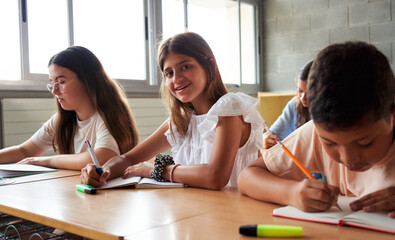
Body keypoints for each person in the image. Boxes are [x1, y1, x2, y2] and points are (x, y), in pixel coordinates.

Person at [81, 32, 264, 189]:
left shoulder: (229, 108)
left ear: (210, 66)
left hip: (231, 215)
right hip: (191, 212)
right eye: (169, 73)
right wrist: (103, 171)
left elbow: (215, 177)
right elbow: (129, 159)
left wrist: (157, 170)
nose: (176, 78)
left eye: (185, 66)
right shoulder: (181, 121)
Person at [237, 41, 395, 218]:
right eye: (330, 143)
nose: (347, 159)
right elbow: (247, 177)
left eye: (365, 143)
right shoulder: (317, 131)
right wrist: (291, 192)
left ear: (392, 115)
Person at [0, 46, 139, 170]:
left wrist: (46, 161)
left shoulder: (109, 116)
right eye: (52, 83)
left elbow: (101, 158)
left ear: (86, 80)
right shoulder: (62, 119)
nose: (54, 91)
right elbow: (24, 151)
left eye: (61, 82)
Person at [263, 60, 313, 149]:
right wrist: (265, 139)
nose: (303, 98)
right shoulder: (295, 104)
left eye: (309, 92)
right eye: (300, 91)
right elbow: (273, 134)